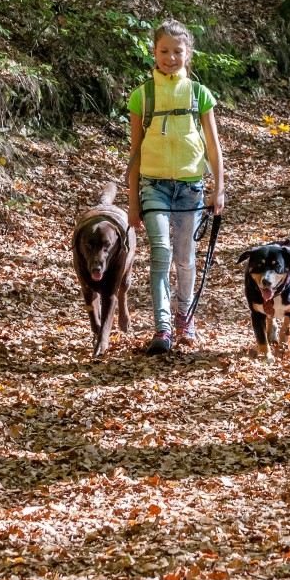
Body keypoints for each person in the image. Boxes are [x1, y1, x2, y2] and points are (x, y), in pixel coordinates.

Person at [126, 20, 227, 355]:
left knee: (184, 258)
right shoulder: (141, 97)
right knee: (161, 253)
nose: (171, 57)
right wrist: (132, 202)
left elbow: (213, 146)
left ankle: (186, 318)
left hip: (191, 188)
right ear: (153, 53)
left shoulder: (200, 95)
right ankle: (163, 328)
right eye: (164, 51)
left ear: (189, 54)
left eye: (177, 51)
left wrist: (219, 188)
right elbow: (135, 151)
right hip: (153, 185)